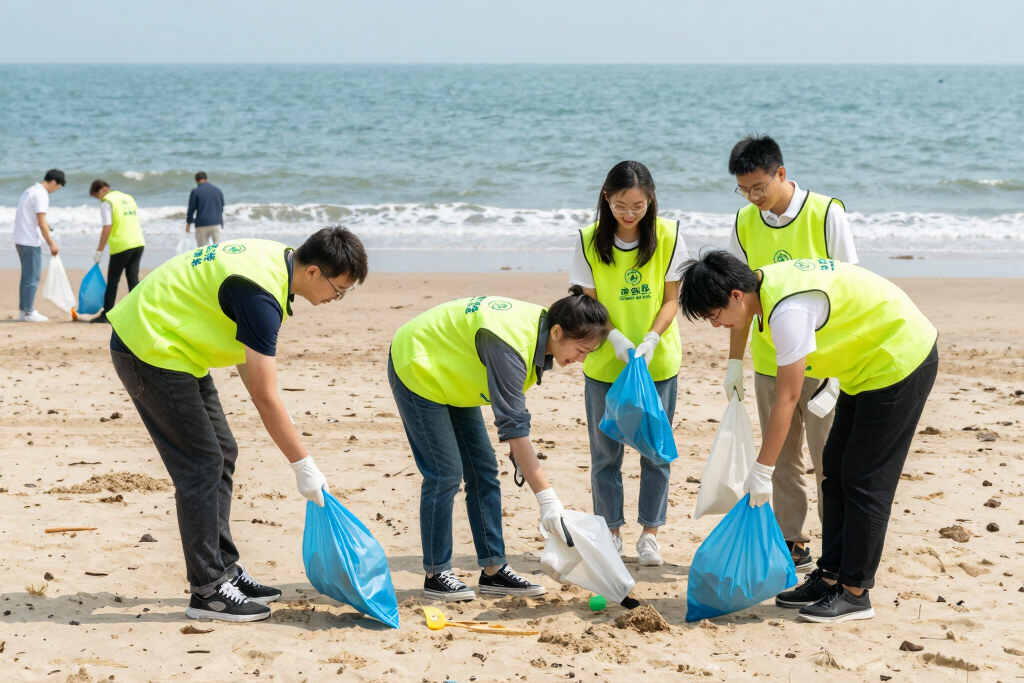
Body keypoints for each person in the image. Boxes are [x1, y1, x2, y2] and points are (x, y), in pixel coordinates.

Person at [108, 226, 367, 622]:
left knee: (222, 452)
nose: (337, 298)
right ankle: (208, 591)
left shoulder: (278, 266)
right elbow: (265, 396)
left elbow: (254, 375)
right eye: (339, 288)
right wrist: (303, 465)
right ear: (313, 272)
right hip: (148, 347)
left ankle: (224, 569)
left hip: (177, 347)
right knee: (200, 464)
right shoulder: (260, 295)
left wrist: (296, 452)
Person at [680, 250, 938, 623]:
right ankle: (830, 574)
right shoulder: (762, 289)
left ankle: (855, 593)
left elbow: (786, 398)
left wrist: (763, 470)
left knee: (865, 480)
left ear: (736, 295)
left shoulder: (787, 311)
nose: (716, 325)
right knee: (835, 470)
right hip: (865, 368)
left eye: (714, 315)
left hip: (900, 360)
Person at [388, 287, 610, 602]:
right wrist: (549, 501)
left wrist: (518, 449)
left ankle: (494, 572)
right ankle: (436, 574)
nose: (581, 360)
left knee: (484, 470)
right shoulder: (513, 345)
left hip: (454, 375)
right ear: (558, 332)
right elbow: (514, 426)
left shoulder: (540, 332)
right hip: (418, 364)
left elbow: (511, 416)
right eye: (582, 349)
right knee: (445, 473)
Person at [724, 135, 858, 570]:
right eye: (744, 190)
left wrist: (839, 374)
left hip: (824, 364)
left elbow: (851, 292)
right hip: (769, 361)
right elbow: (737, 300)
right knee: (780, 456)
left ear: (781, 173)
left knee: (828, 462)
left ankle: (836, 549)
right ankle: (792, 542)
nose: (754, 198)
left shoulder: (825, 214)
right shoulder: (745, 221)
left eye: (760, 187)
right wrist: (733, 362)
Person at [570, 160, 688, 568]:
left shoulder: (669, 236)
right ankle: (612, 531)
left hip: (656, 364)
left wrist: (652, 337)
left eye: (638, 205)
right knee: (606, 454)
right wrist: (614, 337)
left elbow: (672, 298)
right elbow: (588, 301)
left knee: (655, 451)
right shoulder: (588, 240)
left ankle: (650, 535)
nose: (630, 213)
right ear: (607, 198)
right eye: (621, 204)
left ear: (650, 200)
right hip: (606, 362)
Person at [89, 180, 146, 324]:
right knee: (132, 277)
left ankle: (107, 314)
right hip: (138, 242)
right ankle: (138, 312)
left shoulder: (107, 202)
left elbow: (107, 227)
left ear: (101, 191)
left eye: (97, 196)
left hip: (122, 245)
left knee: (113, 280)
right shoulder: (128, 197)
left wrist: (99, 250)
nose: (99, 199)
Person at [13, 169, 65, 322]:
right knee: (32, 277)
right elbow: (41, 221)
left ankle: (24, 311)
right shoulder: (41, 194)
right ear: (54, 182)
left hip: (20, 238)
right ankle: (28, 312)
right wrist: (52, 243)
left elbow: (39, 220)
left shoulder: (30, 190)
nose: (55, 191)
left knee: (27, 277)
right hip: (29, 241)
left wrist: (50, 233)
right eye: (57, 188)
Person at [187, 172, 225, 246]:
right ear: (206, 179)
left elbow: (191, 209)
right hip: (216, 222)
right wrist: (221, 222)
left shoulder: (195, 191)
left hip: (202, 223)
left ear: (196, 180)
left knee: (202, 248)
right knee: (217, 246)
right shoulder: (217, 190)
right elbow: (221, 207)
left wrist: (188, 224)